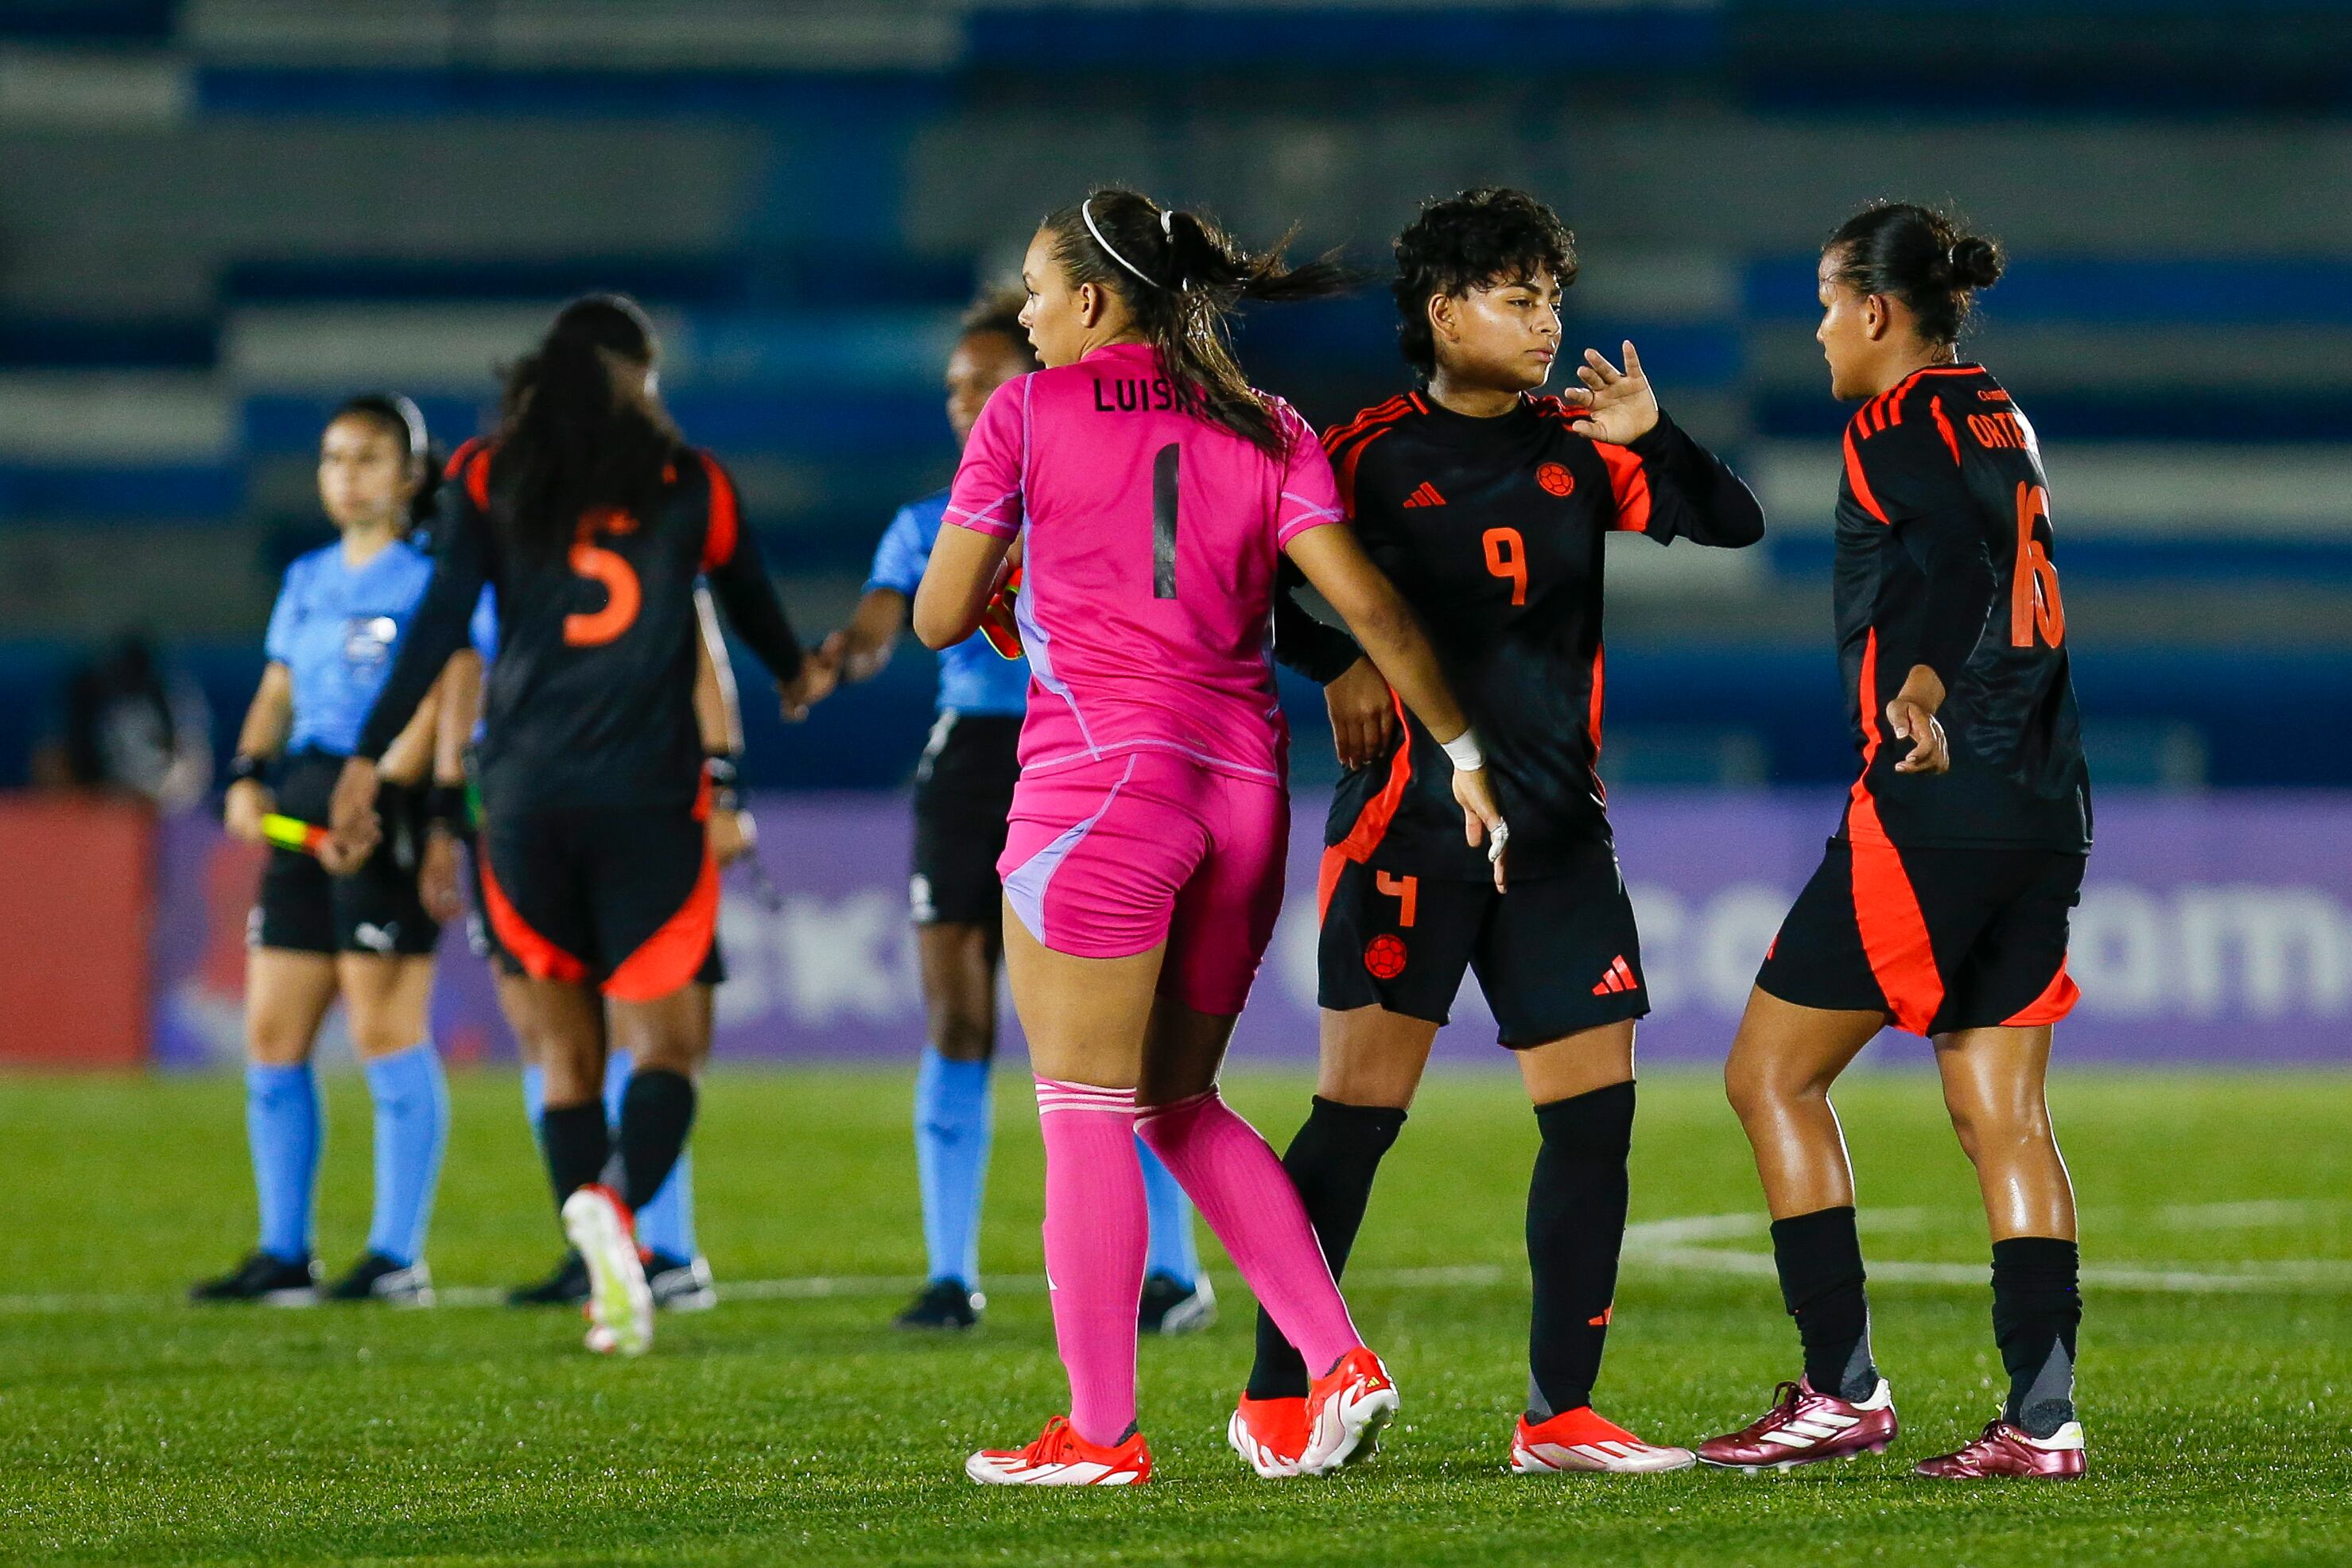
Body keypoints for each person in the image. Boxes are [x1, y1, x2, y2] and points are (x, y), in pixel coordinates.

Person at [914, 187, 1504, 1487]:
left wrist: (1016, 569)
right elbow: (1369, 611)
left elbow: (939, 615)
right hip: (1239, 794)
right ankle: (1335, 1358)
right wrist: (1462, 753)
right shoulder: (1268, 423)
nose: (1022, 312)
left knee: (1081, 1107)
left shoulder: (1023, 409)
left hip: (1098, 791)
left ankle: (1099, 1431)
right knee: (1176, 1100)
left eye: (1033, 286)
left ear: (1089, 300)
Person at [1233, 188, 1767, 1478]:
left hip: (1555, 834)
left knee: (1591, 1122)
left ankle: (1558, 1415)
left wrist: (1662, 435)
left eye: (1552, 298)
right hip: (1402, 830)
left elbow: (1730, 520)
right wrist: (1334, 664)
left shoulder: (1581, 442)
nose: (1547, 323)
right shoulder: (1358, 453)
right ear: (1440, 309)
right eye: (1518, 298)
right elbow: (1255, 587)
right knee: (1353, 1119)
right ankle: (1276, 1396)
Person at [329, 295, 835, 1356]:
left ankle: (605, 1282)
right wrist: (796, 672)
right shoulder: (690, 483)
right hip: (645, 798)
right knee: (669, 1049)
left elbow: (436, 624)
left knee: (562, 1059)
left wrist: (368, 758)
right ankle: (615, 1212)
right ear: (634, 380)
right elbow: (745, 604)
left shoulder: (483, 473)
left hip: (515, 797)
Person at [1692, 204, 2092, 1480]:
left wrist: (1916, 695)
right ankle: (2041, 1422)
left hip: (1932, 810)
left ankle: (1838, 1390)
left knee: (1768, 1075)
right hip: (2041, 806)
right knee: (2003, 1119)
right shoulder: (1999, 413)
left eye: (1824, 304)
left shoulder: (1890, 422)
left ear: (1874, 310)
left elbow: (1963, 576)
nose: (1817, 332)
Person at [824, 287, 1213, 1336]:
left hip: (1093, 753)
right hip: (974, 765)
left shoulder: (1106, 491)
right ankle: (950, 1274)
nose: (965, 405)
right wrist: (842, 652)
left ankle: (1171, 1272)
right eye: (954, 388)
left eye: (986, 384)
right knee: (958, 1017)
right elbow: (887, 615)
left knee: (1119, 1030)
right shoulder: (926, 522)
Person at [192, 394, 460, 1306]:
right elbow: (278, 687)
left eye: (369, 459)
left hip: (384, 807)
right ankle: (284, 1251)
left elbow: (441, 697)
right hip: (305, 802)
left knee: (386, 1030)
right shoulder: (307, 576)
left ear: (411, 476)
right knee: (273, 1036)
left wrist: (382, 798)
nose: (348, 476)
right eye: (334, 458)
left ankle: (397, 1256)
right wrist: (246, 771)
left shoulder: (434, 577)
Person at [433, 583, 747, 1313]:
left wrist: (450, 803)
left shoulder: (498, 544)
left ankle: (638, 1252)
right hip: (624, 801)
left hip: (527, 808)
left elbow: (456, 667)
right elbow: (708, 658)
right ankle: (628, 1244)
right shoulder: (653, 523)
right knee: (655, 1044)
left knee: (581, 1049)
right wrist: (728, 785)